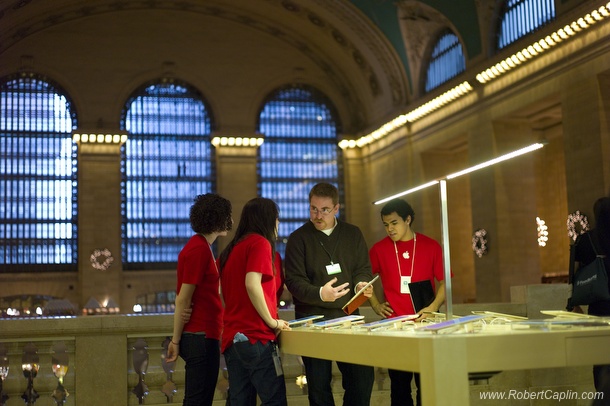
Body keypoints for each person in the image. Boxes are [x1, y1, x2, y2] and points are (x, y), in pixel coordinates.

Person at [284, 182, 375, 406]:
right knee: (319, 387)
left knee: (361, 378)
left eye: (324, 210)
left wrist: (361, 285)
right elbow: (294, 281)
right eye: (313, 208)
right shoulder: (298, 238)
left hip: (348, 317)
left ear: (336, 208)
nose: (318, 215)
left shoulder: (352, 234)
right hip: (312, 319)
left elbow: (363, 268)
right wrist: (320, 293)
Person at [368, 198, 448, 406]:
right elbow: (364, 279)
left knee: (427, 385)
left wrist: (433, 307)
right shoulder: (379, 249)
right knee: (400, 387)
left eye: (394, 223)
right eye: (386, 224)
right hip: (396, 327)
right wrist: (376, 304)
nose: (390, 229)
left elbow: (445, 283)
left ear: (408, 219)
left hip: (426, 325)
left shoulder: (430, 246)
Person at [219, 197, 291, 406]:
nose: (278, 224)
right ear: (269, 220)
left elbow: (222, 290)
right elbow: (252, 284)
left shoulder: (230, 250)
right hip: (256, 336)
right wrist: (272, 322)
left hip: (233, 339)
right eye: (277, 219)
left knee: (240, 401)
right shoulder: (260, 243)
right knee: (274, 401)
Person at [166, 193, 233, 406]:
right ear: (217, 219)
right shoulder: (199, 250)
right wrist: (175, 341)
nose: (230, 220)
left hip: (203, 335)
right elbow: (183, 299)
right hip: (200, 336)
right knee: (198, 401)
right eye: (227, 215)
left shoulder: (202, 247)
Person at [569, 196, 610, 402]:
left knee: (602, 359)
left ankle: (603, 394)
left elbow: (574, 276)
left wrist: (574, 303)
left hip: (599, 308)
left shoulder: (587, 240)